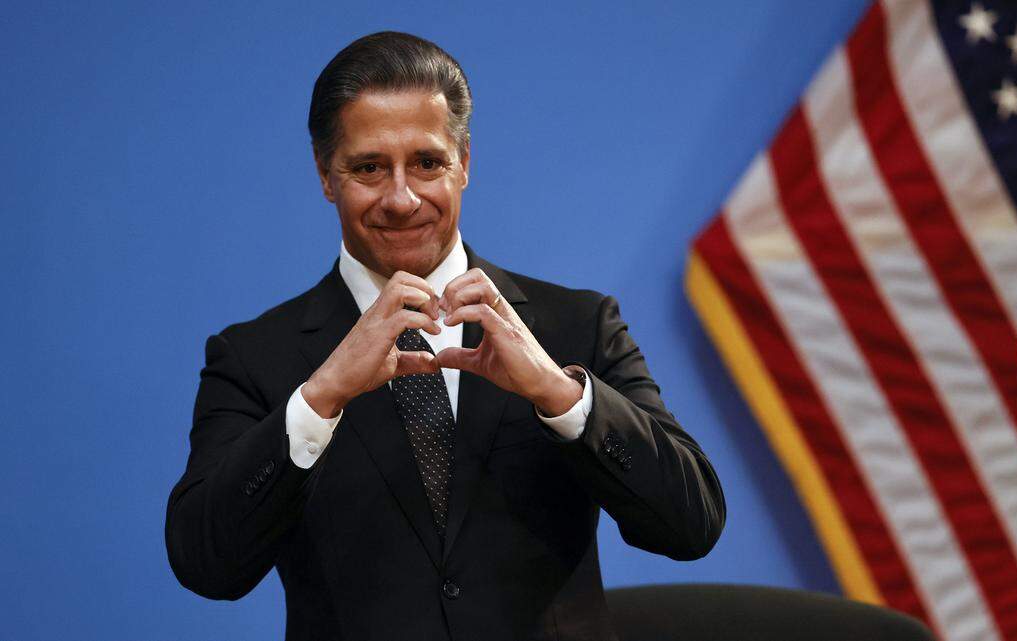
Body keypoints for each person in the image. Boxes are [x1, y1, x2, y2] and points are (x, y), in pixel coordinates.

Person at [165, 31, 725, 641]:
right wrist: (319, 399)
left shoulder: (577, 325)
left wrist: (559, 396)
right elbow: (205, 564)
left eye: (427, 163)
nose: (402, 199)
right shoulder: (254, 357)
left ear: (464, 165)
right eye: (369, 168)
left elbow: (691, 524)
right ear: (327, 176)